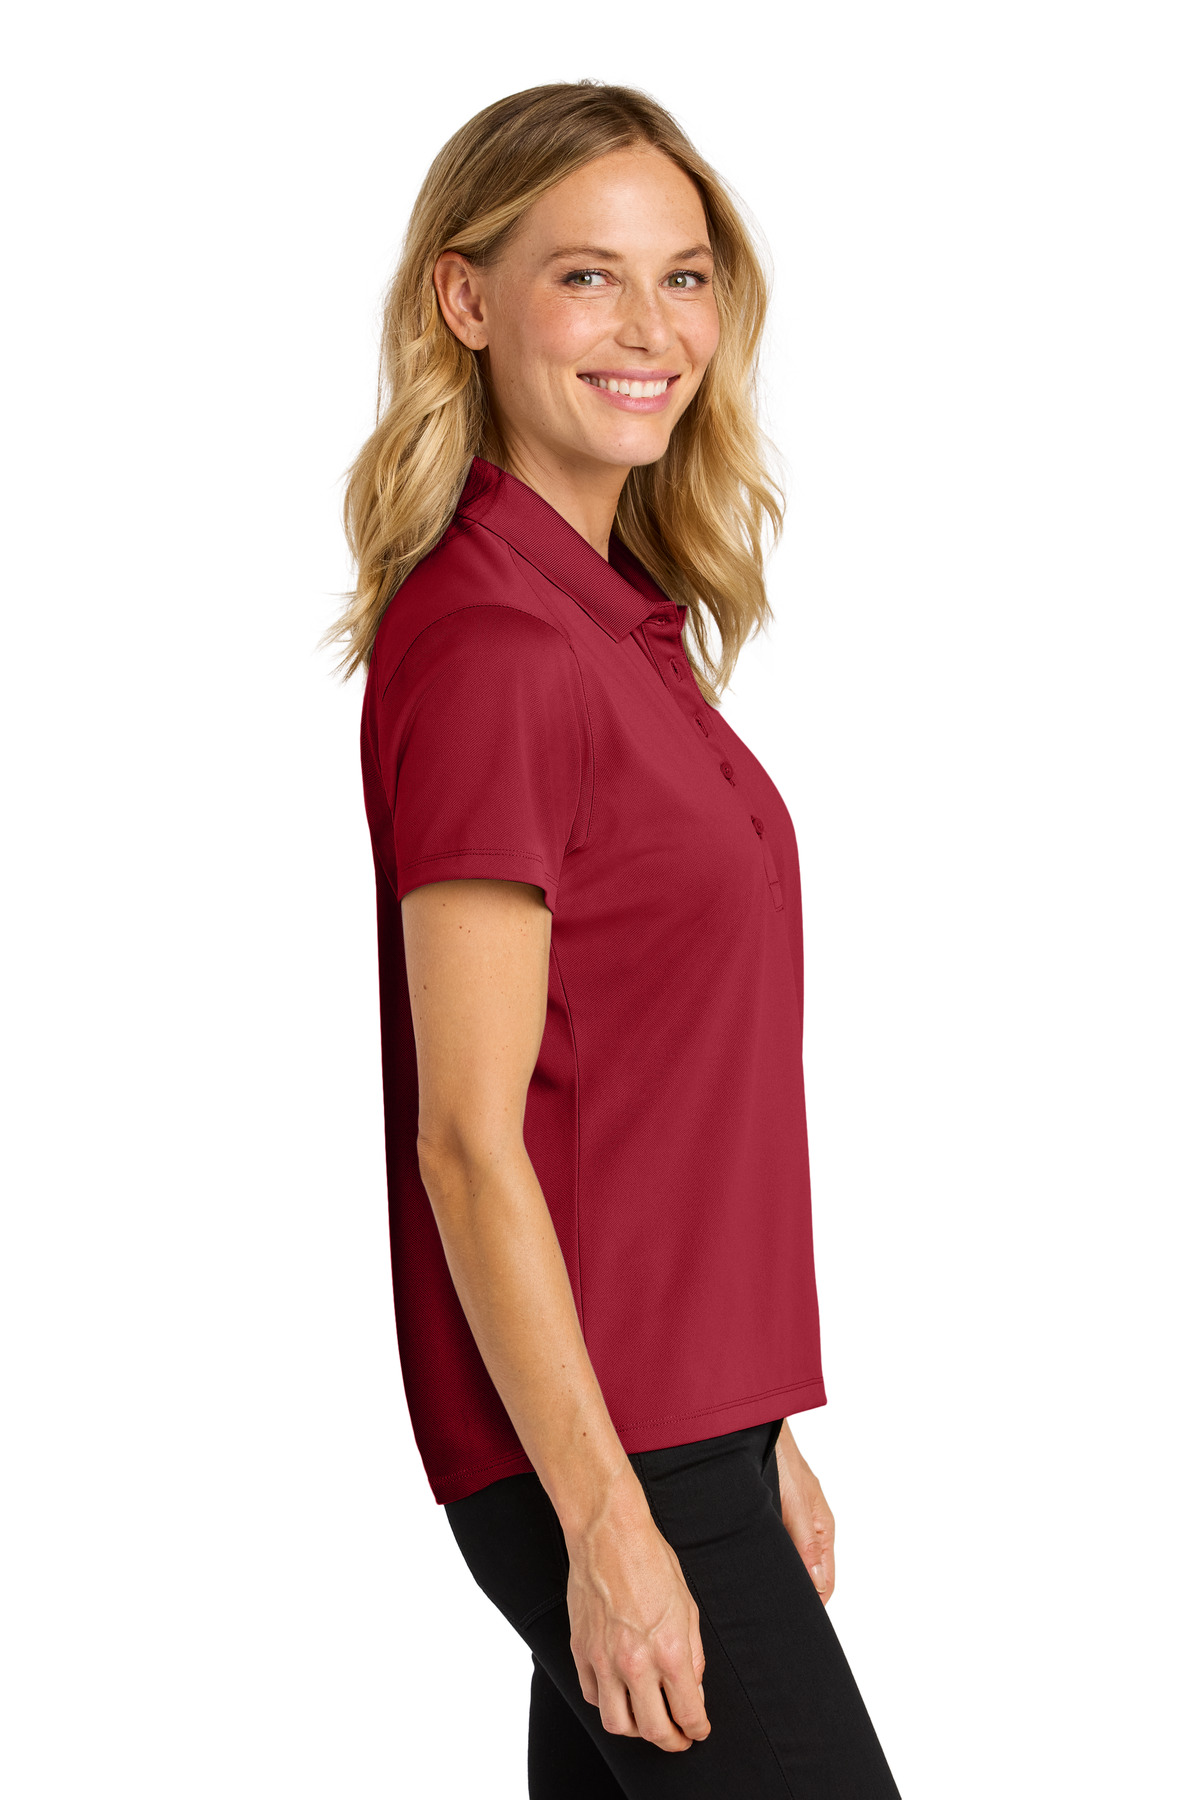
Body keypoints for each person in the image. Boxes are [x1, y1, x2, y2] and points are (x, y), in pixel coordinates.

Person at [334, 80, 903, 1798]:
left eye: (685, 277)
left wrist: (752, 1429)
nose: (651, 330)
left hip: (675, 1429)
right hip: (604, 1446)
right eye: (587, 277)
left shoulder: (609, 629)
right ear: (466, 298)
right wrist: (610, 1517)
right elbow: (468, 1136)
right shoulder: (500, 649)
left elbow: (642, 1084)